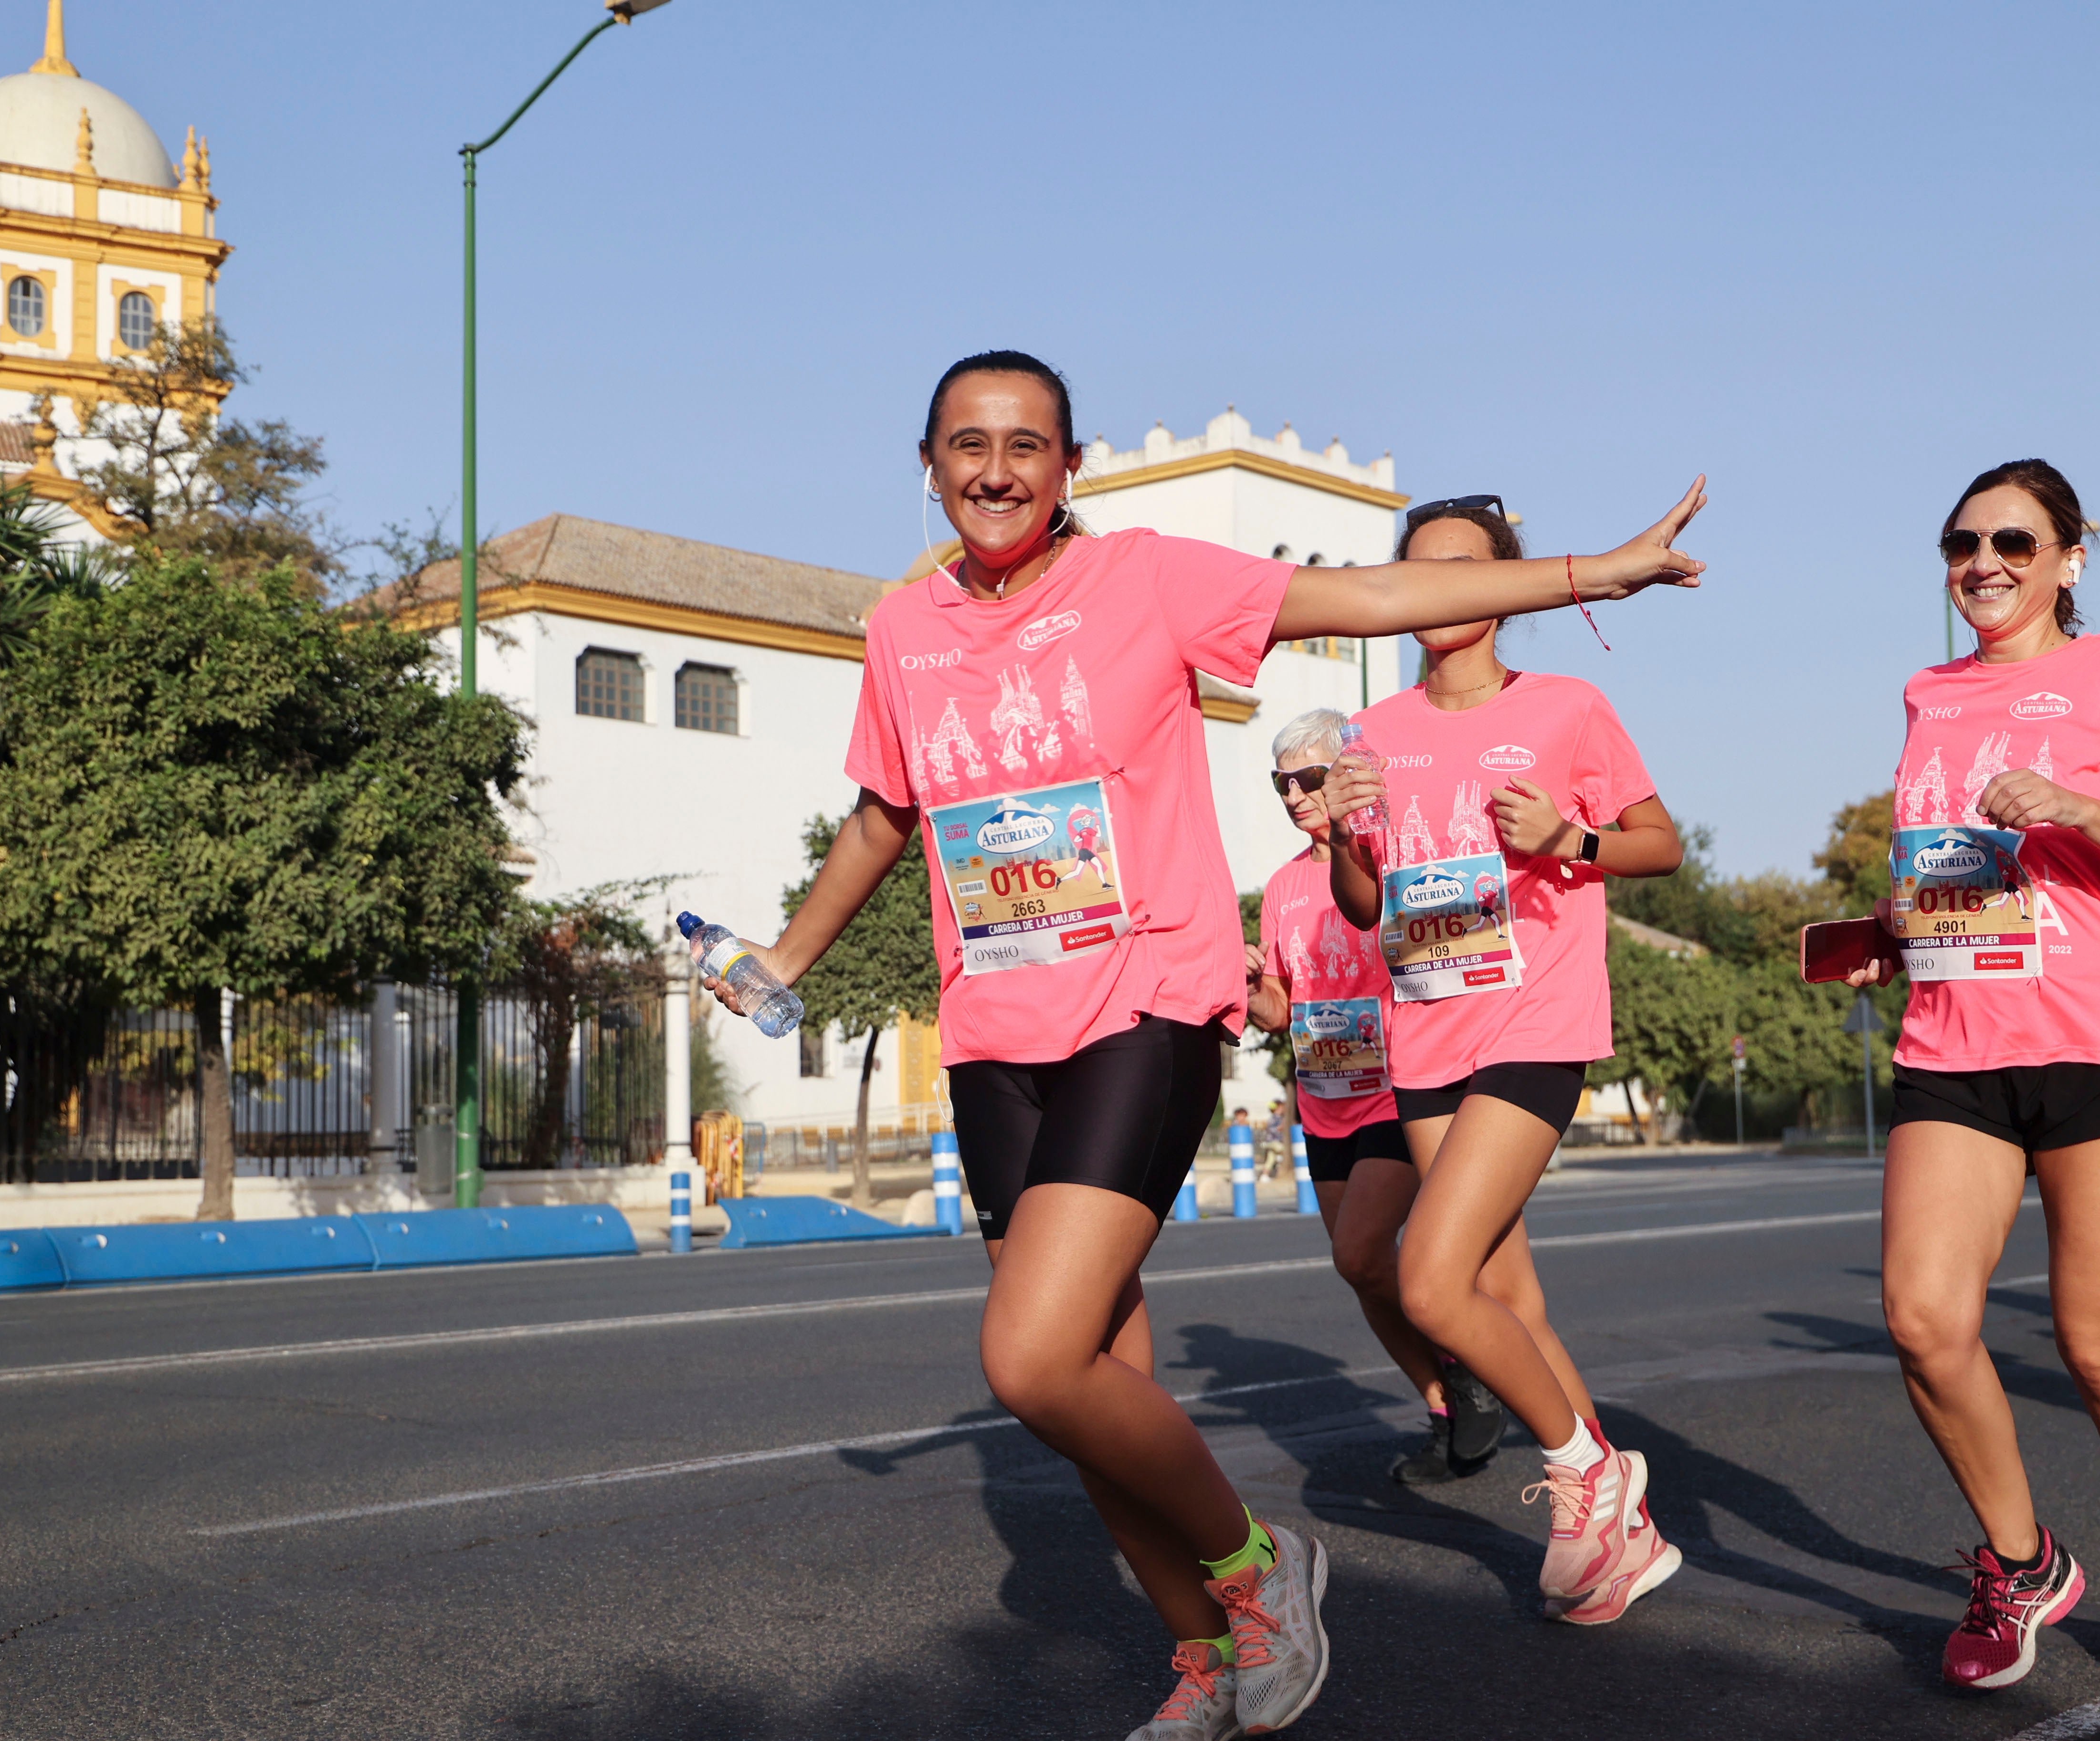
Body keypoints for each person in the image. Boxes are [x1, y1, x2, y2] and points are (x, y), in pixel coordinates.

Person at [701, 349, 1705, 1741]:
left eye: (1027, 444)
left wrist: (1597, 573)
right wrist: (784, 958)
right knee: (1089, 1381)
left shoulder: (1147, 580)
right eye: (967, 443)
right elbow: (887, 812)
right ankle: (1207, 1654)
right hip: (993, 1030)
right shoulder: (902, 630)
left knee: (1028, 1358)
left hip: (1143, 1005)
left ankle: (1255, 1565)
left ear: (1069, 467)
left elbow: (1374, 597)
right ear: (927, 464)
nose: (996, 468)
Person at [1843, 460, 2100, 1703]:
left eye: (2014, 542)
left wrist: (2071, 805)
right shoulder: (1930, 693)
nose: (1984, 564)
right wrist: (1899, 928)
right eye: (1963, 544)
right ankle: (2021, 1563)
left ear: (2070, 558)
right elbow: (1953, 864)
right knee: (1923, 1321)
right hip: (1955, 1043)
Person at [1321, 494, 1688, 1628]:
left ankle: (1588, 1473)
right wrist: (1339, 831)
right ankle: (1619, 1529)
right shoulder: (1372, 730)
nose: (1436, 591)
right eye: (1417, 571)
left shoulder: (1566, 708)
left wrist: (1569, 839)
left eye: (1460, 569)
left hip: (1534, 1024)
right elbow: (1364, 904)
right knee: (1500, 1294)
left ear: (1502, 585)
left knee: (1429, 1280)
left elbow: (1660, 844)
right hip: (1423, 1032)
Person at [1245, 707, 1506, 1488]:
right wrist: (1247, 984)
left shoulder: (1390, 861)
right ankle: (1446, 1406)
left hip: (1402, 1088)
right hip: (1325, 1094)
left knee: (1359, 1250)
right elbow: (1277, 1008)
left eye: (1309, 778)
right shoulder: (1282, 887)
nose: (1295, 795)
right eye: (1282, 783)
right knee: (1361, 1272)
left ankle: (1470, 1355)